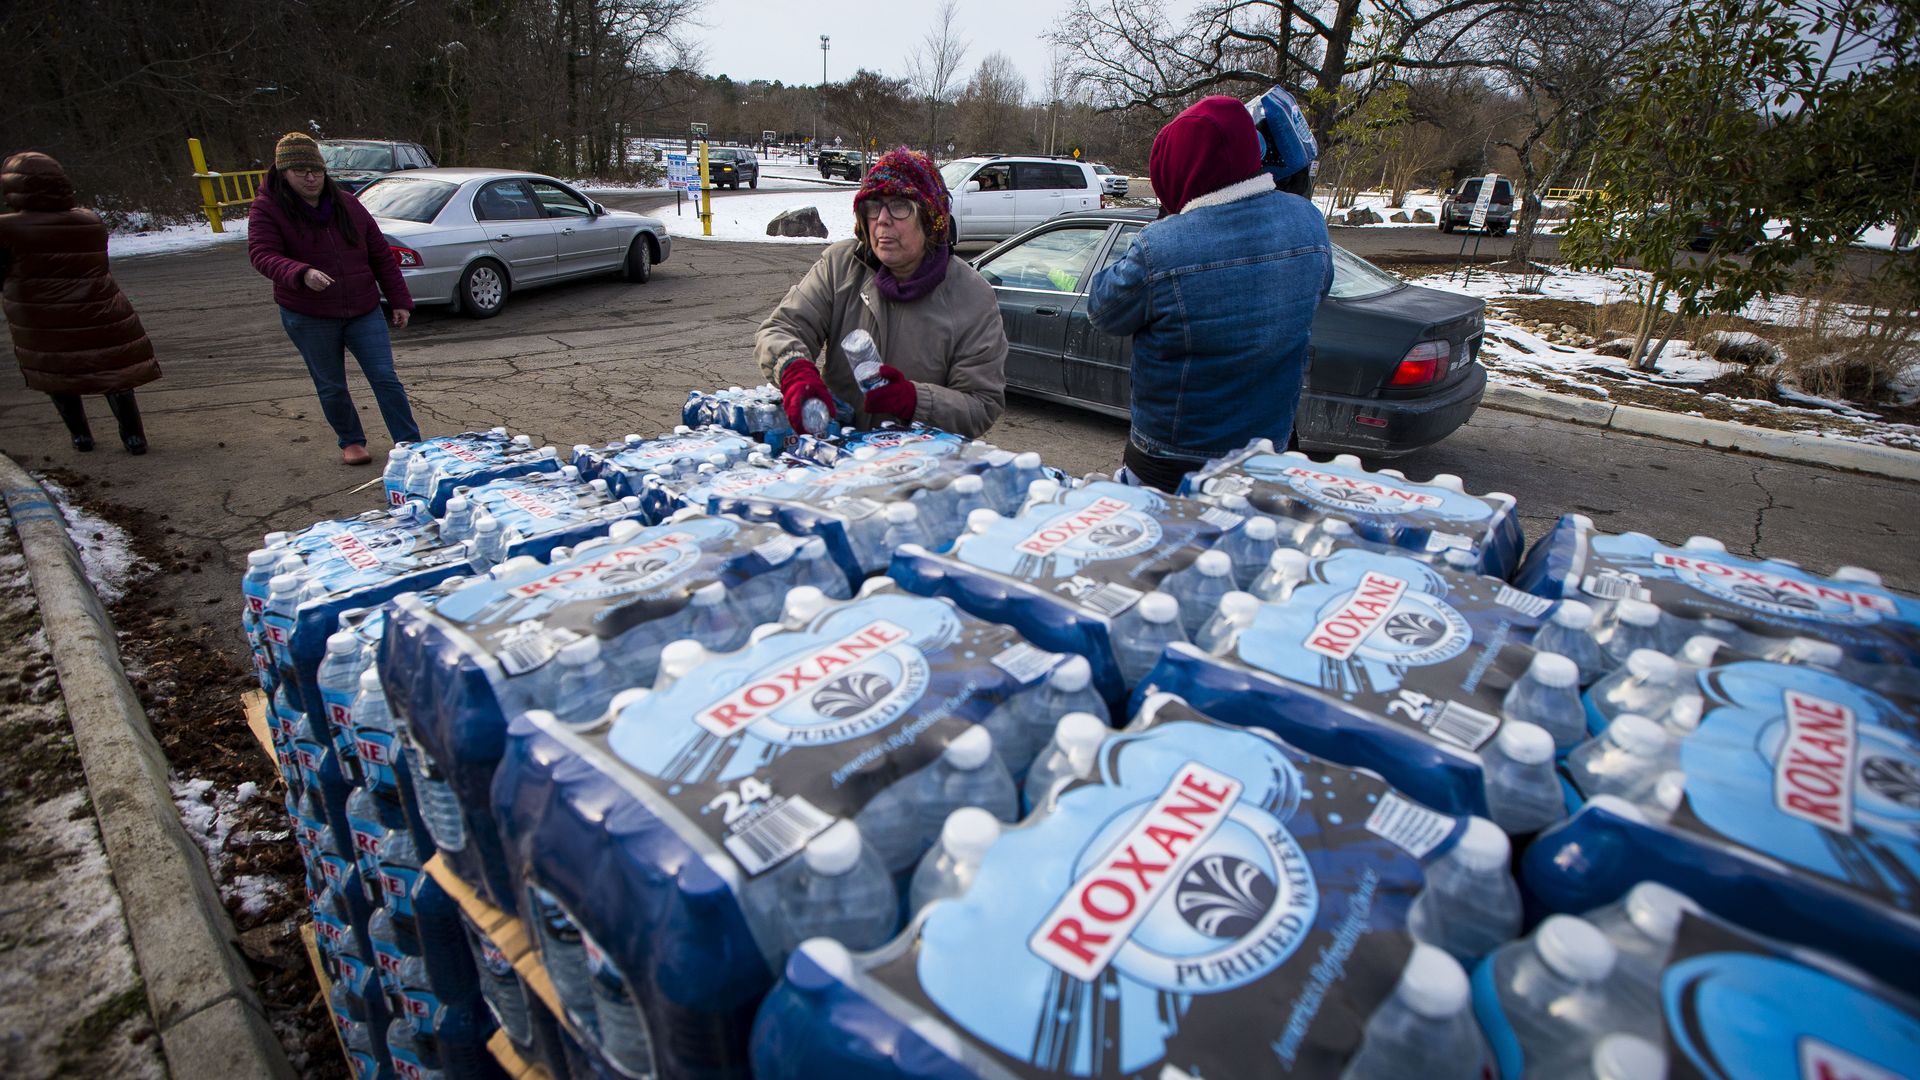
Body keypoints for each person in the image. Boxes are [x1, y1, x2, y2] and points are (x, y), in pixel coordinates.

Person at [1087, 95, 1332, 493]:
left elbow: (1102, 310)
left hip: (1172, 460)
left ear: (1178, 172)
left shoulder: (1162, 247)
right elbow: (1316, 293)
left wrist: (1165, 227)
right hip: (1267, 452)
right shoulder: (1308, 223)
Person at [756, 146, 1006, 439]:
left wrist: (915, 400)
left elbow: (981, 404)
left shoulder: (972, 296)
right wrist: (794, 370)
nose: (882, 220)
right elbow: (781, 328)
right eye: (873, 205)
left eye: (899, 205)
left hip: (917, 470)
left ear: (929, 219)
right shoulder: (841, 266)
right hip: (837, 461)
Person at [248, 132, 420, 465]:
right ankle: (351, 441)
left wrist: (399, 300)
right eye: (301, 172)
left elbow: (380, 254)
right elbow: (262, 254)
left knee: (385, 376)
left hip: (363, 308)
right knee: (331, 383)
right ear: (283, 173)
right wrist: (301, 272)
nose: (310, 178)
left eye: (316, 170)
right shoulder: (268, 209)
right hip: (308, 313)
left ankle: (409, 442)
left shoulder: (348, 203)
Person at [0, 152, 158, 454]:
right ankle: (134, 436)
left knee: (57, 373)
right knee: (115, 372)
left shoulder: (7, 228)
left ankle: (81, 436)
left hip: (41, 315)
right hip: (99, 308)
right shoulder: (89, 221)